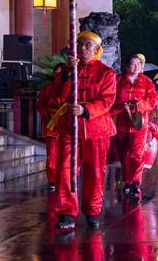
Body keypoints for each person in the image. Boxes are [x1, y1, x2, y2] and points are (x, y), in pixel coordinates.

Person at [48, 31, 117, 230]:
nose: (83, 49)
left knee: (95, 171)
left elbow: (107, 101)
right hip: (69, 127)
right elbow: (58, 97)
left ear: (97, 50)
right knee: (64, 169)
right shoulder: (67, 70)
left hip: (96, 128)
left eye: (88, 45)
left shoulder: (107, 73)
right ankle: (67, 212)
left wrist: (86, 110)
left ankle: (93, 210)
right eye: (80, 45)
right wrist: (68, 74)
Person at [111, 54, 158, 200]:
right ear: (126, 66)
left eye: (139, 63)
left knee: (137, 154)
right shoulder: (117, 80)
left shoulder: (147, 82)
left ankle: (136, 182)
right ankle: (128, 180)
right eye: (132, 63)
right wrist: (120, 106)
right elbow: (110, 99)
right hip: (122, 123)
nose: (136, 66)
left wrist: (140, 104)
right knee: (124, 154)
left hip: (139, 124)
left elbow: (153, 100)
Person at [35, 63, 65, 191]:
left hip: (66, 126)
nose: (58, 76)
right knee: (52, 154)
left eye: (61, 73)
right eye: (56, 73)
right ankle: (52, 180)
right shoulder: (47, 88)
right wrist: (47, 115)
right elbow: (40, 105)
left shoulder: (71, 87)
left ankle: (65, 179)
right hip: (52, 125)